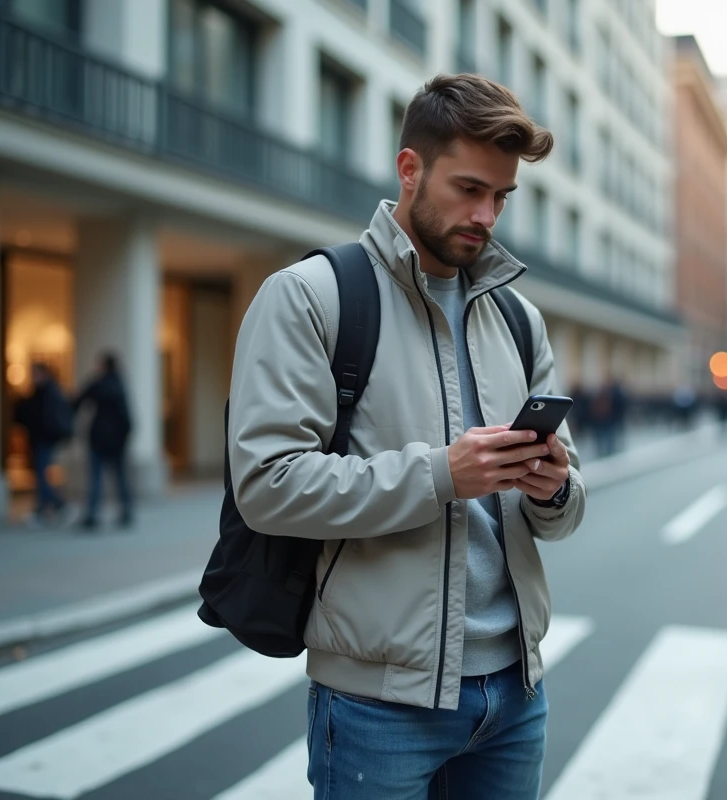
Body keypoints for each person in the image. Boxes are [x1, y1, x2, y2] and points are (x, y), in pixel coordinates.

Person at [227, 74, 586, 799]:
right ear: (409, 169)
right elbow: (267, 487)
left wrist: (553, 490)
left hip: (515, 693)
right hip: (377, 705)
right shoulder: (310, 295)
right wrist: (443, 474)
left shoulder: (518, 319)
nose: (487, 214)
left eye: (501, 197)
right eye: (468, 189)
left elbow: (568, 509)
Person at [73, 352, 134, 530]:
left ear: (104, 366)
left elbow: (78, 401)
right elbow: (126, 415)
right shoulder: (119, 384)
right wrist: (125, 436)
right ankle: (126, 510)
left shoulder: (98, 384)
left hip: (98, 438)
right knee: (120, 477)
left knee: (96, 478)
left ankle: (92, 514)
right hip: (116, 441)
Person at [13, 362, 73, 526]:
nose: (33, 377)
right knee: (41, 476)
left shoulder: (49, 392)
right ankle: (55, 506)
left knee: (41, 476)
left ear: (44, 374)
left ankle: (49, 507)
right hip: (40, 439)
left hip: (44, 439)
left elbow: (45, 418)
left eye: (36, 374)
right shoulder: (42, 391)